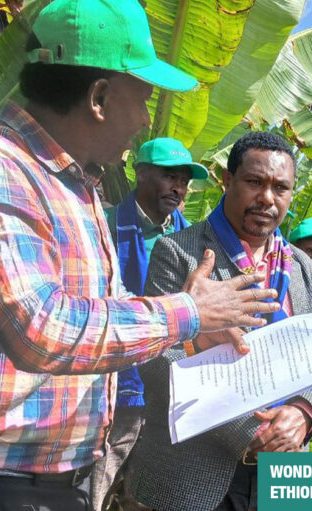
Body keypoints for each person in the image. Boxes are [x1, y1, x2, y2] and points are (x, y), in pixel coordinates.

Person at [0, 2, 280, 509]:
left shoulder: (79, 188)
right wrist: (186, 312)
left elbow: (106, 306)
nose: (144, 120)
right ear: (99, 97)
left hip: (55, 481)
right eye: (142, 100)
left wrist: (191, 328)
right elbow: (39, 328)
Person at [126, 131, 312, 511]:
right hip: (191, 476)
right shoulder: (179, 253)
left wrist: (304, 413)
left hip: (283, 470)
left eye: (281, 188)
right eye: (255, 182)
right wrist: (254, 432)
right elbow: (158, 357)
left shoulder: (305, 270)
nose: (267, 198)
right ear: (227, 180)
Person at [91, 137, 210, 510]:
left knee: (148, 496)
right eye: (169, 177)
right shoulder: (107, 226)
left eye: (184, 181)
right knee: (97, 485)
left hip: (169, 391)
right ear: (140, 173)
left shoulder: (192, 240)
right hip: (116, 386)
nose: (179, 188)